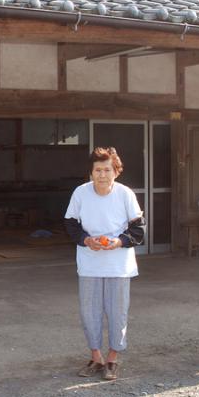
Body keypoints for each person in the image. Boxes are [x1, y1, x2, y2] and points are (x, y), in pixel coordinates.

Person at [64, 147, 145, 381]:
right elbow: (70, 224)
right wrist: (87, 240)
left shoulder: (125, 194)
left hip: (118, 264)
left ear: (115, 172)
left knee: (117, 311)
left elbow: (138, 228)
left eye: (107, 170)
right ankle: (96, 356)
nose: (101, 175)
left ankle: (112, 358)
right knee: (89, 311)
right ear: (90, 173)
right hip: (89, 262)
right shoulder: (81, 193)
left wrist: (119, 241)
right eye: (97, 170)